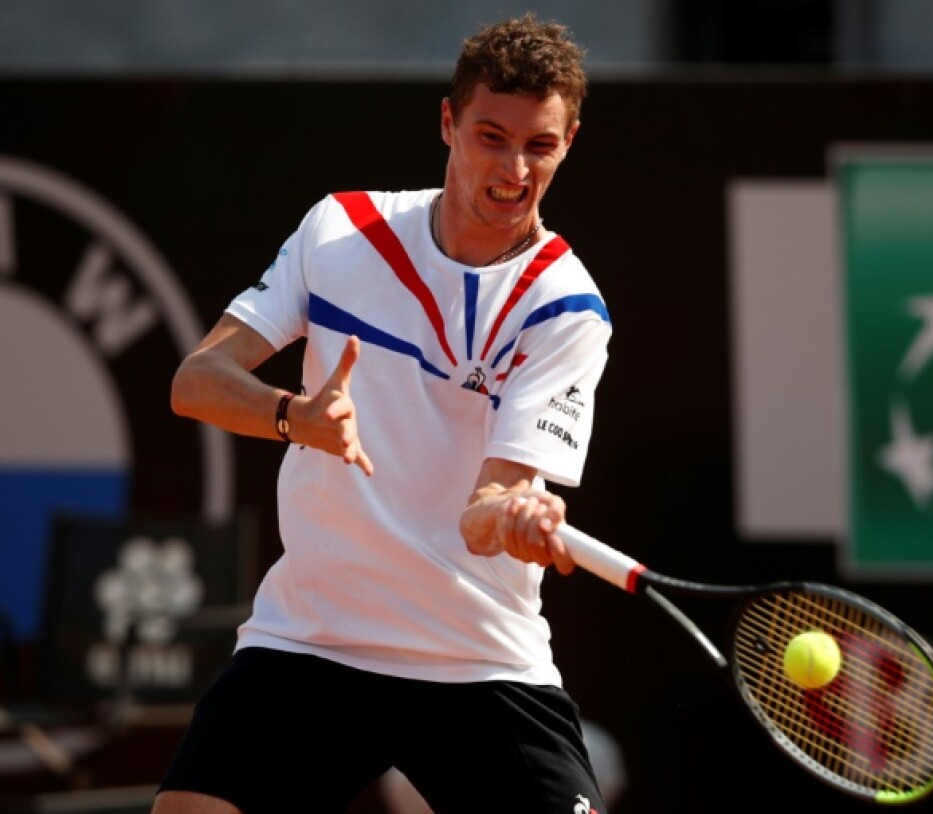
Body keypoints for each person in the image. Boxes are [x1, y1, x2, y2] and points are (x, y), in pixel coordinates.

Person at [156, 14, 612, 814]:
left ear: (570, 140)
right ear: (448, 122)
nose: (512, 169)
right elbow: (198, 380)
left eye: (538, 145)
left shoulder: (565, 307)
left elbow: (481, 514)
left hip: (475, 658)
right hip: (312, 640)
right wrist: (297, 417)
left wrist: (515, 515)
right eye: (490, 136)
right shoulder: (341, 231)